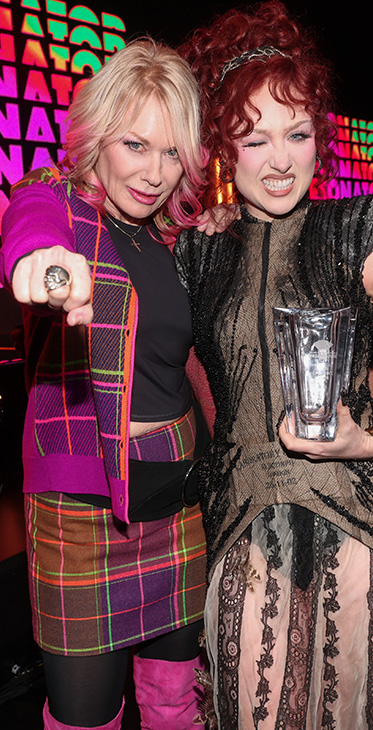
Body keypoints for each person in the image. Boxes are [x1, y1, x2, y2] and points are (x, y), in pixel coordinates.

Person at [173, 3, 373, 728]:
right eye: (255, 139)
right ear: (224, 147)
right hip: (242, 530)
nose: (282, 159)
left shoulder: (358, 236)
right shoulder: (198, 254)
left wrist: (372, 438)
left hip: (355, 523)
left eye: (298, 133)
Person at [0, 40, 209, 730]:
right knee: (83, 718)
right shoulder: (56, 205)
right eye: (135, 144)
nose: (153, 172)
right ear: (98, 139)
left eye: (171, 151)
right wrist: (40, 261)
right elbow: (28, 224)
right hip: (82, 510)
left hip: (178, 502)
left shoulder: (173, 241)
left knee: (177, 702)